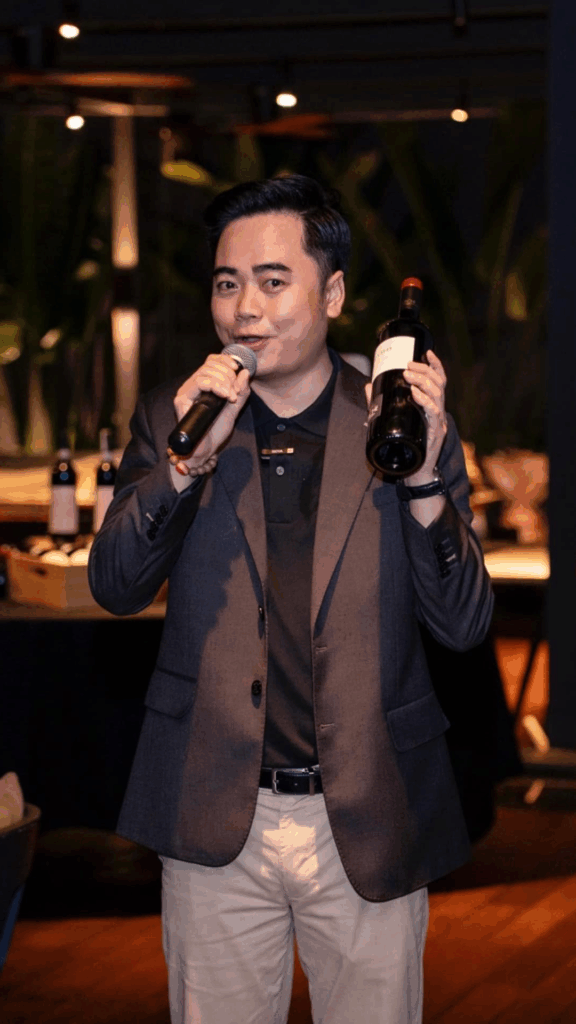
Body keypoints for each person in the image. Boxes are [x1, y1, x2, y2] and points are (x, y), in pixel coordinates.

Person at [88, 174, 493, 1024]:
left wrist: (424, 480)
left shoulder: (399, 422)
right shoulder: (176, 417)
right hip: (212, 809)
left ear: (333, 294)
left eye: (274, 281)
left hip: (369, 810)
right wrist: (183, 466)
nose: (246, 309)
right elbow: (116, 586)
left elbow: (463, 624)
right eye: (227, 283)